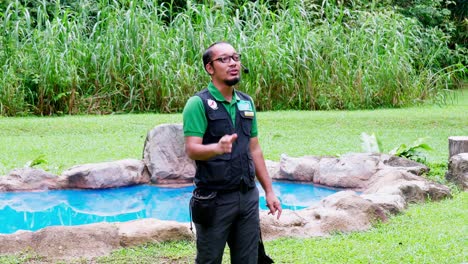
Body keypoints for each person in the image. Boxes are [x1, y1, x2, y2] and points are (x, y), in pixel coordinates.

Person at [182, 41, 282, 264]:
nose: (233, 63)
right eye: (224, 59)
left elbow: (254, 148)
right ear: (210, 68)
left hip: (247, 196)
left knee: (248, 260)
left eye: (235, 58)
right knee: (209, 260)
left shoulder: (246, 102)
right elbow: (191, 149)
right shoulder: (198, 104)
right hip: (214, 200)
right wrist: (217, 148)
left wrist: (269, 191)